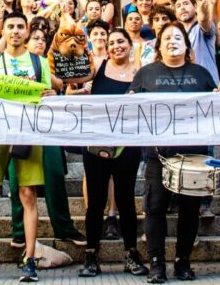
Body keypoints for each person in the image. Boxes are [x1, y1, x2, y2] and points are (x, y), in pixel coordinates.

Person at [0, 12, 56, 283]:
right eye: (11, 27)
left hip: (28, 131)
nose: (16, 31)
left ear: (27, 30)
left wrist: (50, 95)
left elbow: (46, 95)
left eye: (20, 27)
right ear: (3, 31)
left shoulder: (40, 63)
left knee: (28, 193)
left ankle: (29, 259)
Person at [129, 21, 217, 283]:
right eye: (166, 38)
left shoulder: (201, 74)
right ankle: (157, 264)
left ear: (187, 45)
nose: (172, 41)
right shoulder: (146, 74)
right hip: (159, 154)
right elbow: (128, 105)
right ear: (158, 46)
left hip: (195, 156)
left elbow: (216, 107)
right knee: (154, 208)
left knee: (190, 209)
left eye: (178, 37)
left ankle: (183, 261)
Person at [7, 26, 88, 251]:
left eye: (43, 39)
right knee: (18, 182)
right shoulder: (10, 63)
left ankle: (64, 228)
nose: (40, 42)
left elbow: (60, 87)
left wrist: (54, 93)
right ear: (24, 41)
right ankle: (19, 231)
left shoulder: (44, 63)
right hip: (19, 128)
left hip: (46, 128)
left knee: (53, 176)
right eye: (35, 38)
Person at [78, 28, 151, 277]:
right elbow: (71, 81)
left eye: (121, 41)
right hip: (95, 143)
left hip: (127, 146)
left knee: (126, 201)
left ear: (130, 45)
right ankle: (91, 255)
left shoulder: (140, 72)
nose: (116, 45)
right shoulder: (98, 66)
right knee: (96, 202)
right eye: (111, 42)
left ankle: (131, 254)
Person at [171, 0, 219, 83]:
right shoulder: (175, 35)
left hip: (207, 87)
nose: (182, 8)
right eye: (178, 6)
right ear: (175, 13)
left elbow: (204, 21)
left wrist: (203, 10)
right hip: (185, 87)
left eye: (186, 3)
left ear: (195, 7)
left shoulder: (201, 28)